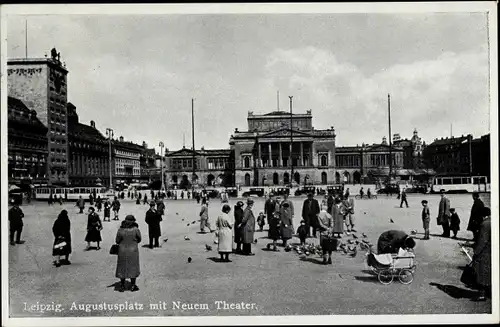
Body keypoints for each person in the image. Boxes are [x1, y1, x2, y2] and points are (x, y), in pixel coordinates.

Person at [469, 207, 491, 301]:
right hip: (490, 251)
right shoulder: (491, 221)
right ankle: (489, 293)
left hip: (484, 253)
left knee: (481, 272)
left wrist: (476, 251)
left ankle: (482, 295)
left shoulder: (485, 224)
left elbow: (482, 241)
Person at [115, 215, 141, 292]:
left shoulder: (120, 230)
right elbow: (139, 239)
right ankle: (133, 285)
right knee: (133, 267)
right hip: (133, 251)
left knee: (122, 267)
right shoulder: (136, 229)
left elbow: (117, 241)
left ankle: (122, 285)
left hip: (122, 251)